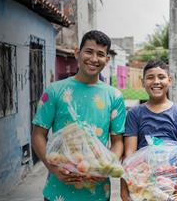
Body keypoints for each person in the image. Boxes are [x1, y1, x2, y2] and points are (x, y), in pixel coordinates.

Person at [31, 30, 126, 201]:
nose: (94, 59)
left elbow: (118, 141)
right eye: (89, 51)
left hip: (98, 192)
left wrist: (105, 167)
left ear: (107, 59)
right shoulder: (54, 91)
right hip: (58, 191)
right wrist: (53, 169)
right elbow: (38, 135)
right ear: (77, 53)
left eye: (100, 54)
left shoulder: (115, 96)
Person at [120, 60, 177, 201]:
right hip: (143, 183)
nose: (156, 82)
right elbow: (129, 154)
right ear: (143, 82)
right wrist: (125, 192)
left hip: (175, 183)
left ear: (169, 80)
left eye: (161, 77)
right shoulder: (134, 113)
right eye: (150, 77)